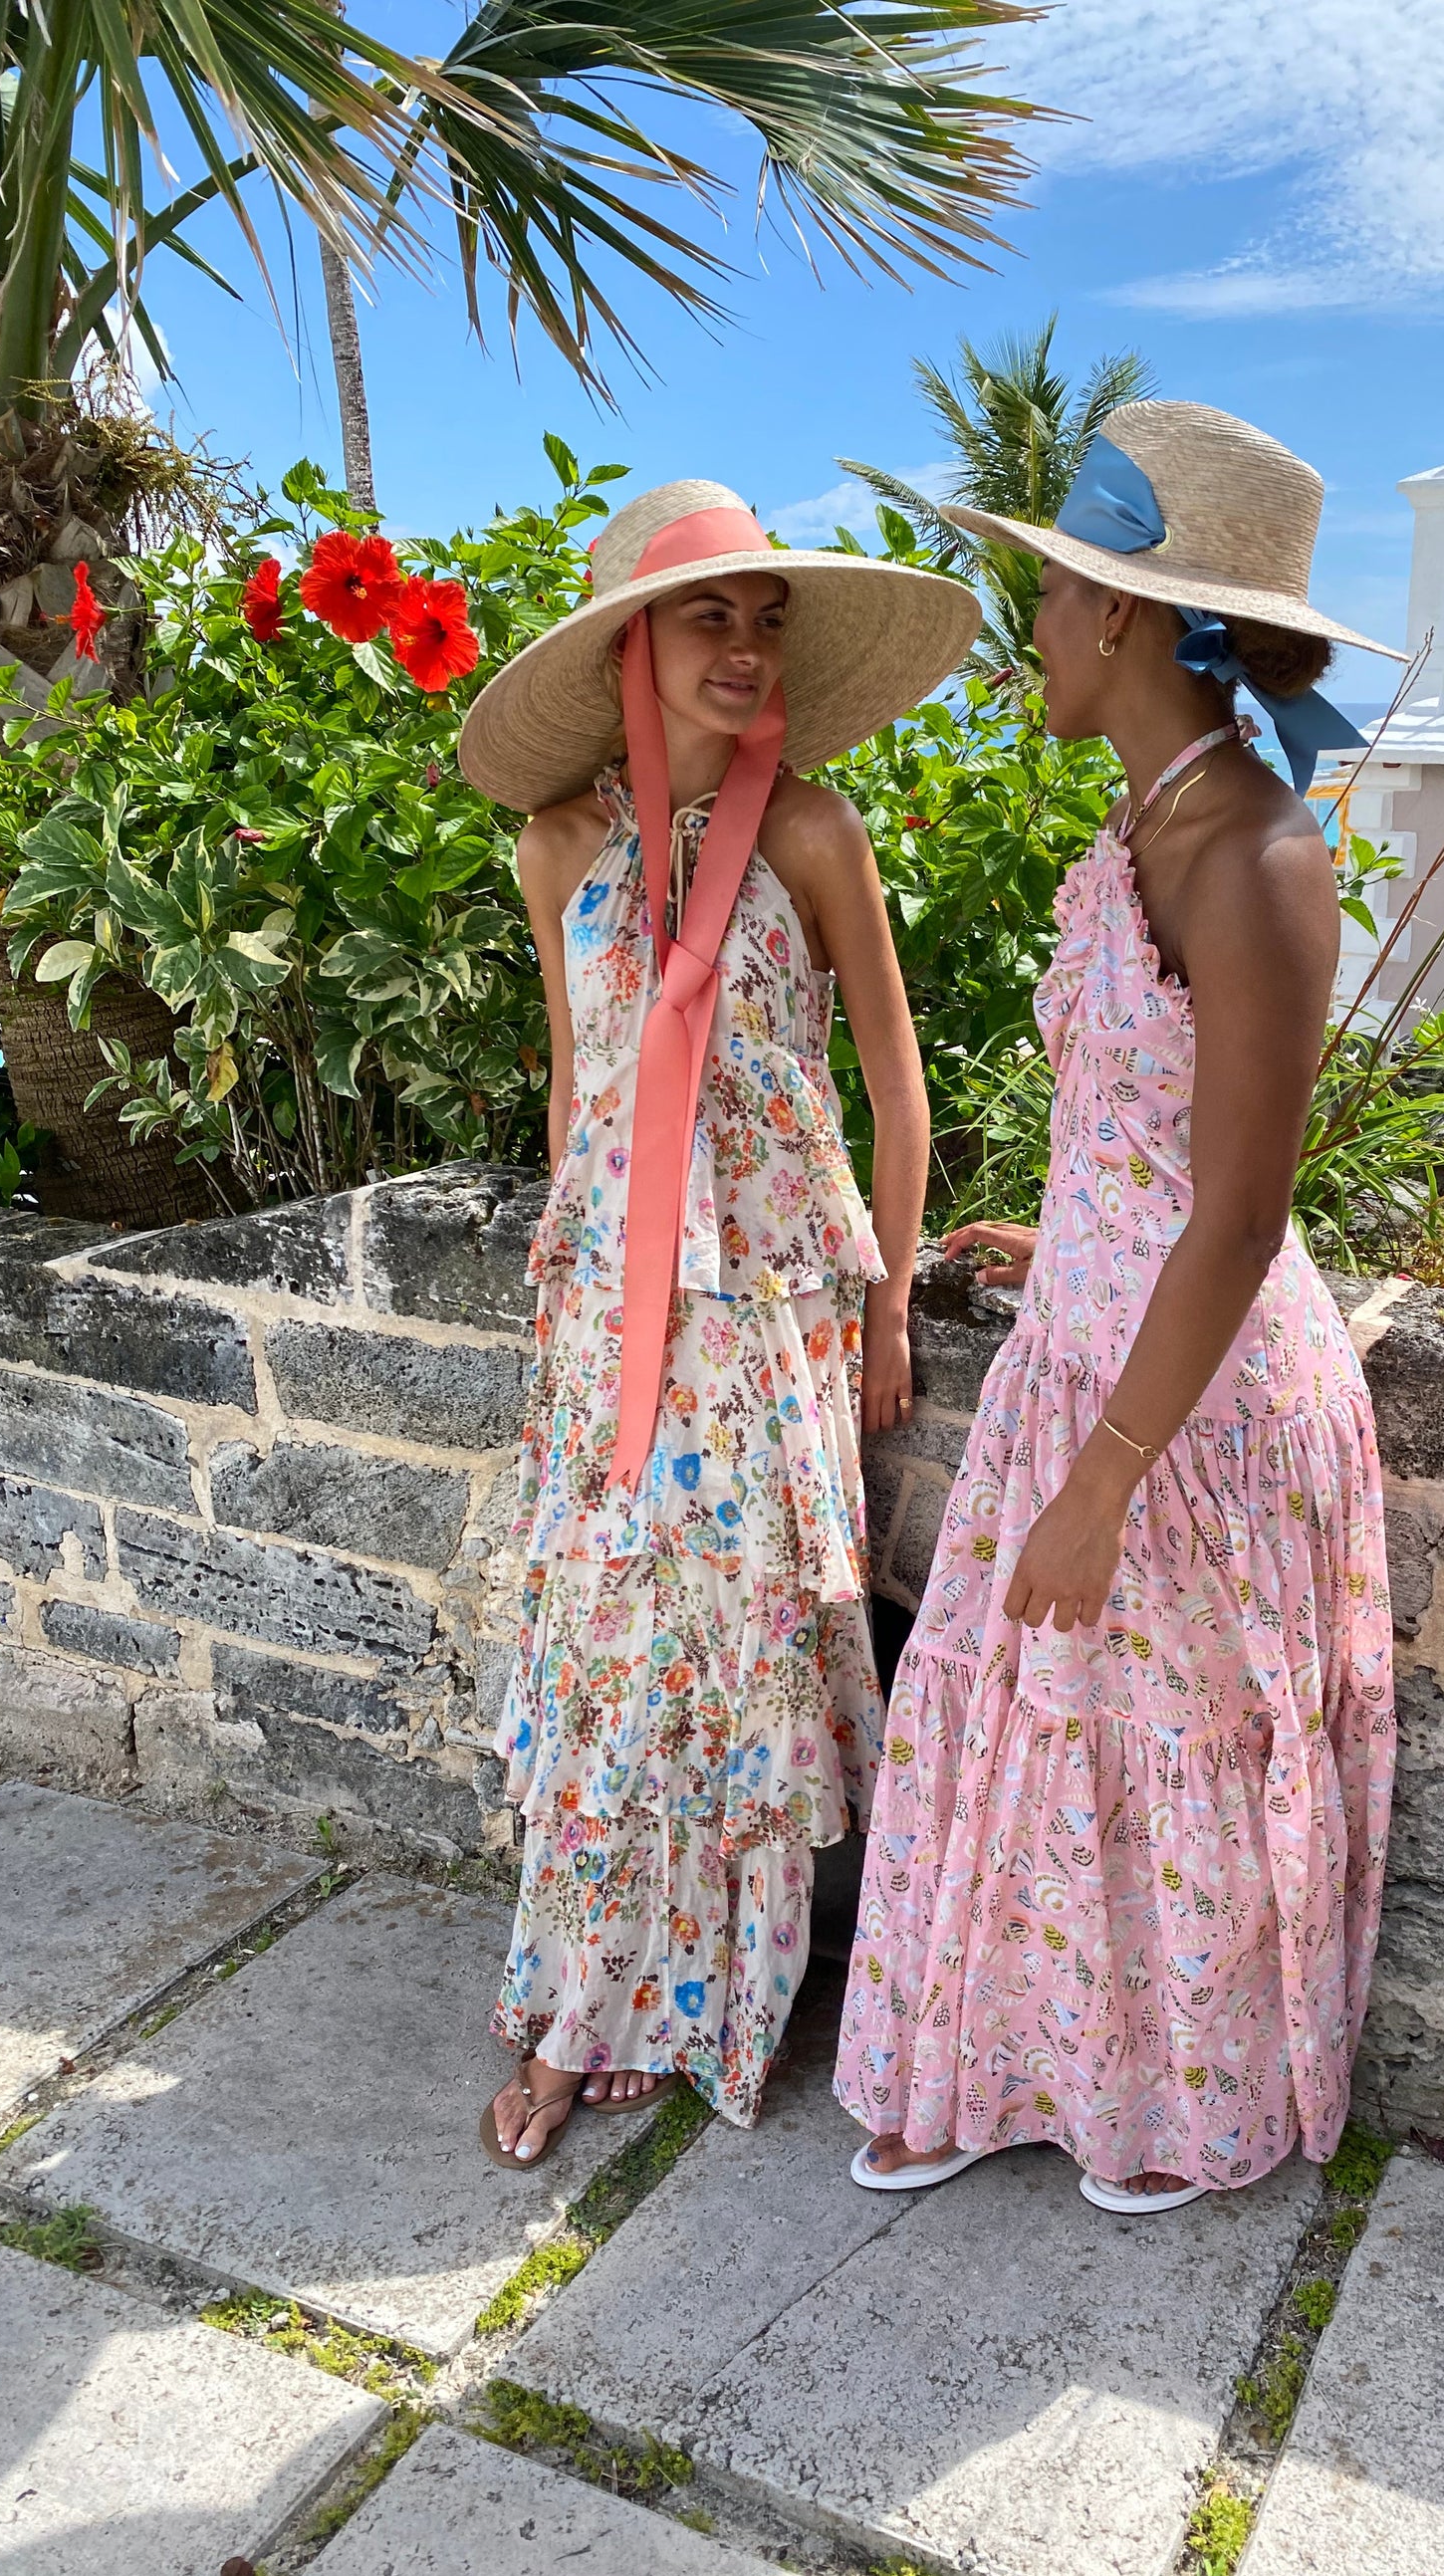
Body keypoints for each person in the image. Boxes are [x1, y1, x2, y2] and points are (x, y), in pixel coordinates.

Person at [836, 401, 1400, 2215]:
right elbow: (1147, 1138)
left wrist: (1105, 1475)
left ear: (1128, 623)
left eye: (1055, 593)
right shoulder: (1144, 825)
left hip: (1195, 1412)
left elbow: (1238, 1214)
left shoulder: (1257, 855)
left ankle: (1171, 2114)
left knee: (1160, 1771)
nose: (1033, 628)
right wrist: (1060, 1226)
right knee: (1031, 1735)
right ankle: (1012, 2073)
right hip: (1093, 1336)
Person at [458, 481, 979, 2164]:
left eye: (766, 620)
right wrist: (570, 1293)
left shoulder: (817, 834)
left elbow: (895, 1100)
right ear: (632, 642)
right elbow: (577, 1088)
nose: (747, 648)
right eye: (710, 616)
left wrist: (888, 1297)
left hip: (766, 1320)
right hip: (611, 1323)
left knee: (742, 1663)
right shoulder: (556, 847)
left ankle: (720, 2006)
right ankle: (567, 2008)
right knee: (611, 1667)